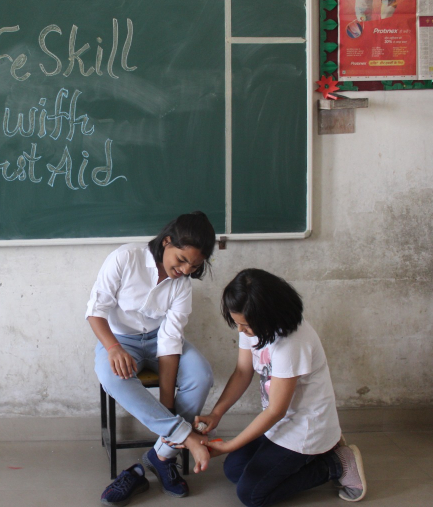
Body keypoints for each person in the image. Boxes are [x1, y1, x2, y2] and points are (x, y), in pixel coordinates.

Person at [195, 269, 367, 506]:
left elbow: (276, 410)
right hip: (279, 424)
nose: (241, 331)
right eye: (237, 324)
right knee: (234, 470)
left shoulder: (292, 343)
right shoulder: (252, 323)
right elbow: (243, 372)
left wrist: (229, 445)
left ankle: (335, 463)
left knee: (251, 495)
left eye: (245, 325)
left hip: (304, 429)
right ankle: (324, 451)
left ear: (267, 316)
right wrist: (216, 414)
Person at [89, 212, 216, 505]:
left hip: (160, 340)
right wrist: (113, 348)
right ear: (167, 241)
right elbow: (96, 311)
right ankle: (180, 439)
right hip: (120, 339)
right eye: (181, 260)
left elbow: (170, 341)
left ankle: (159, 456)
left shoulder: (183, 284)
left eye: (194, 266)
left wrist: (167, 406)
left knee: (202, 376)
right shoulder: (125, 258)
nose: (185, 270)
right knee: (111, 376)